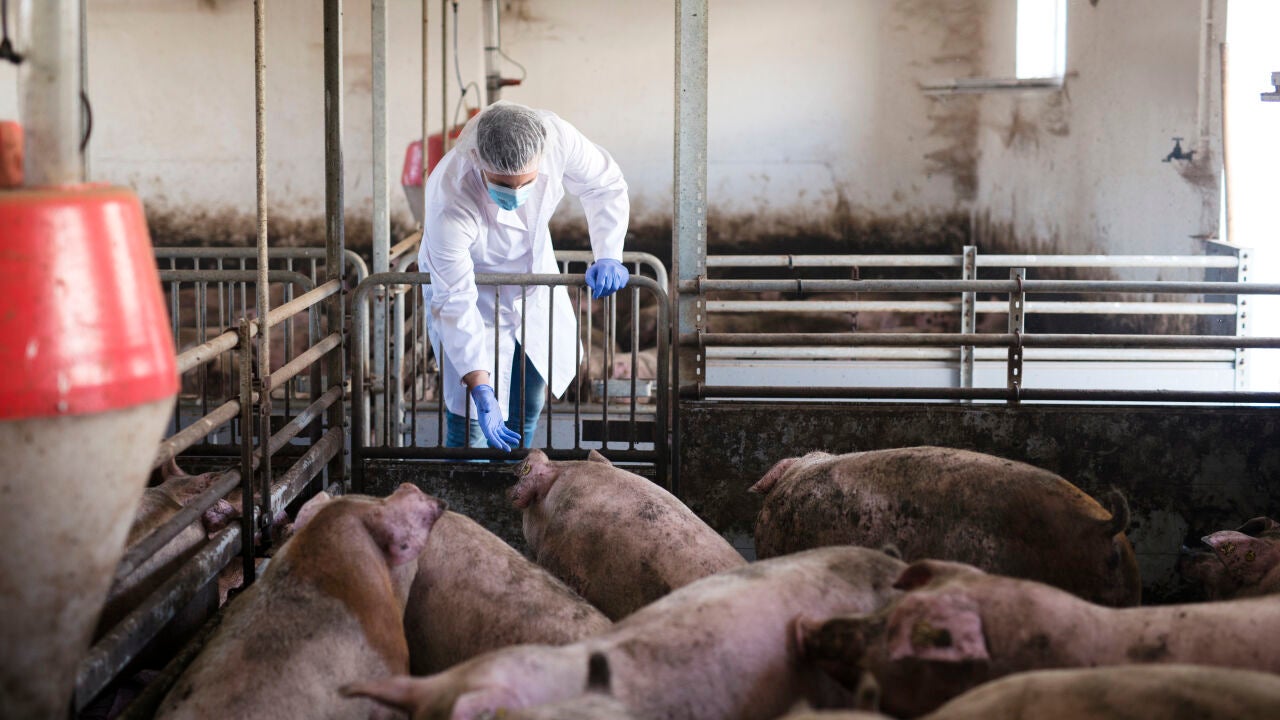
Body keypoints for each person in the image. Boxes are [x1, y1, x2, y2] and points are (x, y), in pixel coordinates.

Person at [418, 101, 630, 452]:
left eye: (527, 182)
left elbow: (604, 184)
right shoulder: (450, 196)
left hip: (535, 287)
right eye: (502, 184)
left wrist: (609, 252)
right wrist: (480, 387)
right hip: (475, 294)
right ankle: (465, 482)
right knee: (470, 422)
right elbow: (454, 299)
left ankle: (516, 480)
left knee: (529, 405)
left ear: (542, 158)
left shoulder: (556, 138)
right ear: (477, 161)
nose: (515, 194)